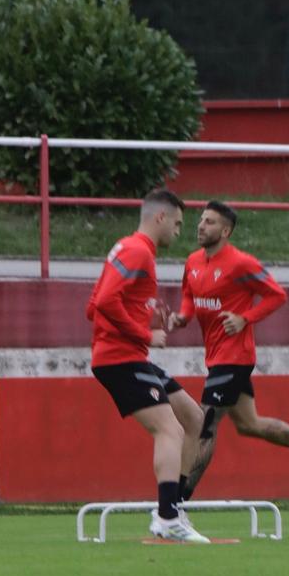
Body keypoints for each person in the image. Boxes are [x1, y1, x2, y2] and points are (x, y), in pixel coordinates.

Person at [167, 201, 289, 498]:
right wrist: (183, 316)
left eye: (209, 222)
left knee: (204, 425)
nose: (200, 226)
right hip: (216, 357)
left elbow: (277, 296)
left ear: (225, 231)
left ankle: (177, 503)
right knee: (250, 424)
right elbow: (188, 295)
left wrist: (244, 318)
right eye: (201, 220)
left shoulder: (241, 264)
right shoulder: (193, 261)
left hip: (235, 358)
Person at [86, 188, 210, 544]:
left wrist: (146, 316)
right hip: (119, 358)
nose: (179, 231)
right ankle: (167, 517)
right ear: (160, 218)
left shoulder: (125, 248)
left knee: (194, 418)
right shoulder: (139, 251)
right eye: (177, 223)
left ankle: (175, 506)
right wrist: (143, 333)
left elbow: (92, 305)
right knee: (169, 429)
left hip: (128, 356)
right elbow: (106, 302)